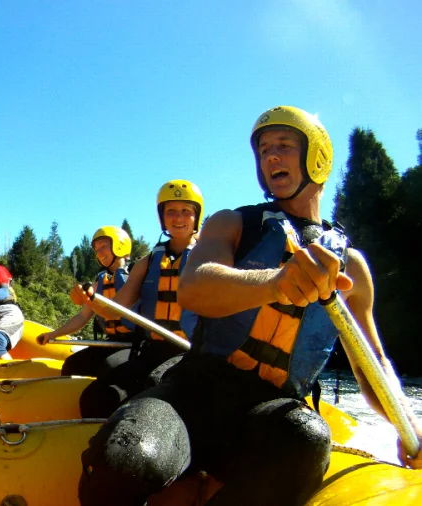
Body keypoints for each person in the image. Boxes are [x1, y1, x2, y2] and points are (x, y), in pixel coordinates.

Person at [77, 106, 422, 506]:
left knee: (308, 437)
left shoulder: (353, 269)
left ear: (317, 158)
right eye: (263, 150)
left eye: (284, 146)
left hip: (269, 412)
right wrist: (276, 282)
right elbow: (194, 287)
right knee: (124, 460)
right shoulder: (232, 224)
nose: (271, 156)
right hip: (193, 392)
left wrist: (405, 423)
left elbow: (371, 362)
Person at [70, 180, 202, 417]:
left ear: (196, 216)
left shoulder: (211, 256)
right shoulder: (148, 262)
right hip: (153, 350)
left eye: (186, 211)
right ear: (162, 217)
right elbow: (113, 311)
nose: (178, 217)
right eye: (171, 210)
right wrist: (88, 299)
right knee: (95, 398)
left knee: (154, 386)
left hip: (192, 354)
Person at [35, 226, 137, 376]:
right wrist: (54, 334)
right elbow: (83, 317)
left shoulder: (137, 272)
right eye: (97, 249)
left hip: (137, 343)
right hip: (114, 341)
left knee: (109, 366)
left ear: (120, 245)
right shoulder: (101, 280)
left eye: (103, 246)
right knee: (72, 365)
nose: (99, 252)